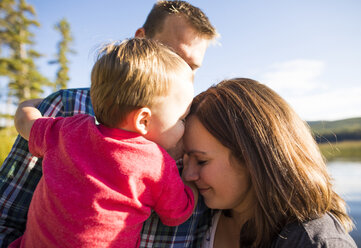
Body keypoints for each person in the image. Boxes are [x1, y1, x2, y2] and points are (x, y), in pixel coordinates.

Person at [0, 1, 217, 247]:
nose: (182, 74)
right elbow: (5, 216)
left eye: (192, 67)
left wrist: (26, 107)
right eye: (172, 58)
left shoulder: (69, 129)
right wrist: (191, 177)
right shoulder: (66, 108)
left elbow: (28, 123)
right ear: (141, 39)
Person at [182, 78, 357, 248]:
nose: (188, 175)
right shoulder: (202, 214)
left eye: (202, 161)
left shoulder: (313, 242)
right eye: (186, 160)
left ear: (250, 158)